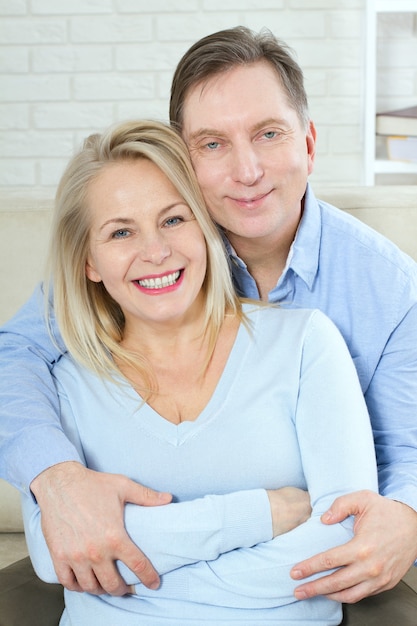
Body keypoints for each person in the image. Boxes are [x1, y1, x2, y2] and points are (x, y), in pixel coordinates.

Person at [0, 24, 417, 623]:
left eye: (269, 134)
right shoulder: (148, 258)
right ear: (182, 157)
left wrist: (405, 513)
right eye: (213, 144)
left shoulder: (388, 292)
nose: (246, 170)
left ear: (309, 144)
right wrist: (57, 476)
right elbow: (15, 353)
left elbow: (403, 456)